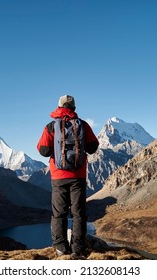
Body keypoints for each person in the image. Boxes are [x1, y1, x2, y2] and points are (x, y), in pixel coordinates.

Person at [37, 95, 99, 257]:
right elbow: (93, 147)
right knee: (78, 213)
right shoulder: (83, 126)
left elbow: (43, 150)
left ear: (58, 107)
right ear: (74, 108)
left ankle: (60, 247)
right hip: (78, 176)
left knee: (59, 213)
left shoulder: (51, 126)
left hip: (58, 177)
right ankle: (78, 248)